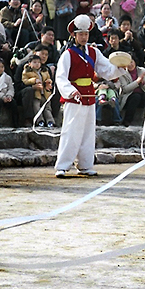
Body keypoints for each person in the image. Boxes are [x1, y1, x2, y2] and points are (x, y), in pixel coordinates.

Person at [54, 14, 123, 177]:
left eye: (86, 34)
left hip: (89, 96)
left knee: (87, 132)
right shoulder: (68, 54)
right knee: (71, 131)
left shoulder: (94, 52)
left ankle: (85, 164)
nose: (84, 37)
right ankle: (63, 165)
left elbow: (106, 68)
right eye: (81, 34)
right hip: (75, 96)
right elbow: (60, 77)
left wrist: (120, 67)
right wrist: (71, 91)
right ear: (74, 35)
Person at [22, 53, 55, 127]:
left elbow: (48, 78)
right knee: (36, 107)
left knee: (47, 108)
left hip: (45, 93)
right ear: (29, 63)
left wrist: (48, 82)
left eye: (38, 62)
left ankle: (50, 121)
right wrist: (34, 81)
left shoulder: (44, 71)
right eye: (34, 62)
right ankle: (40, 121)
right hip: (36, 94)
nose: (37, 64)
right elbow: (25, 80)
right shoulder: (27, 72)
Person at [116, 57, 145, 126]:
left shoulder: (141, 70)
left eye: (131, 62)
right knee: (136, 96)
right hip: (129, 97)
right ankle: (127, 120)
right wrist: (137, 81)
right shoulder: (122, 73)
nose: (130, 64)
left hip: (142, 95)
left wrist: (142, 83)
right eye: (127, 63)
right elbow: (125, 89)